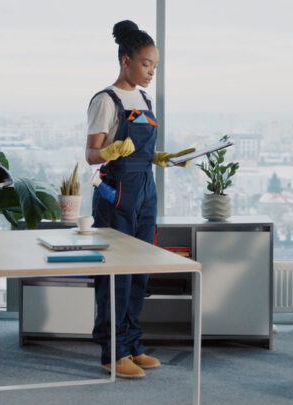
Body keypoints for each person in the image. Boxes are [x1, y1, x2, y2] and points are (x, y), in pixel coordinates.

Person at [85, 20, 194, 379]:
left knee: (140, 270)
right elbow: (91, 155)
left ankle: (132, 345)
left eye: (155, 67)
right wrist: (111, 151)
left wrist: (159, 157)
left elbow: (142, 148)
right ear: (126, 61)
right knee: (115, 273)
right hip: (116, 196)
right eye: (146, 64)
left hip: (146, 190)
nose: (151, 72)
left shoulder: (144, 99)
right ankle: (111, 352)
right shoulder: (106, 100)